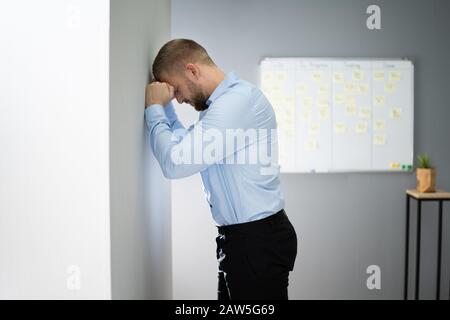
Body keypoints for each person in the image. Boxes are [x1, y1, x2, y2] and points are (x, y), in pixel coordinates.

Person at [144, 39, 297, 300]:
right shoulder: (220, 107)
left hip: (257, 241)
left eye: (177, 90)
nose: (179, 99)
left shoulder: (237, 103)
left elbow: (176, 162)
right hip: (243, 240)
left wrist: (154, 109)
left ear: (192, 70)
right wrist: (166, 108)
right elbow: (184, 146)